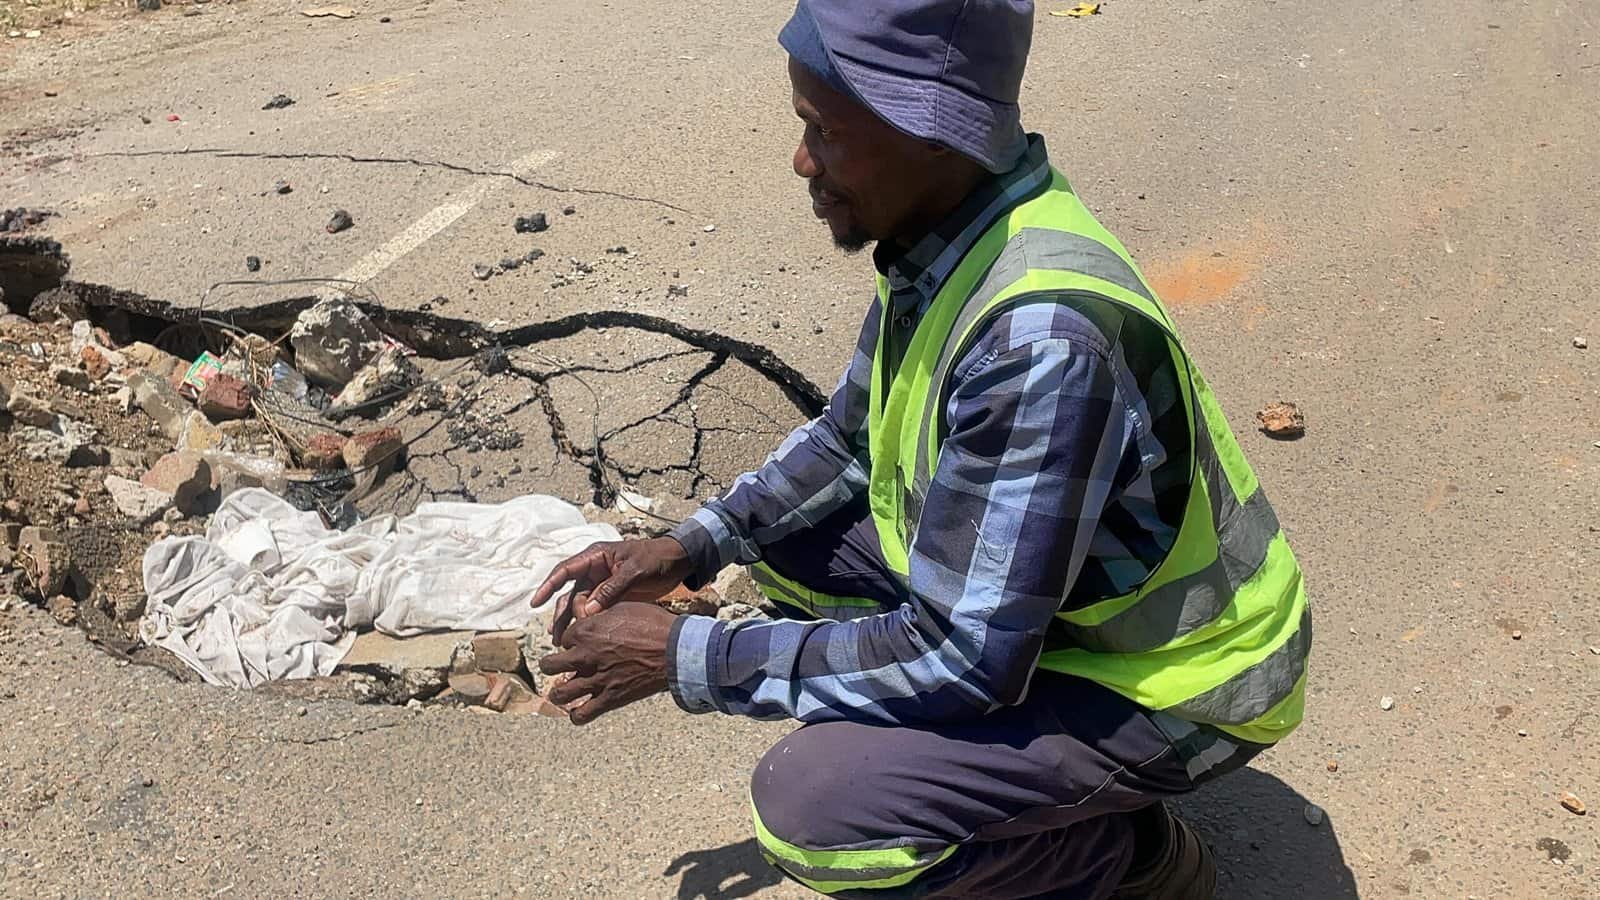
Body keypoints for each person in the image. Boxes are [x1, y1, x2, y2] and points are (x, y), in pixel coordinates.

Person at [530, 1, 1310, 896]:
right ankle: (1031, 781)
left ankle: (1127, 857)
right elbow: (848, 442)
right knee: (783, 538)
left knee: (816, 810)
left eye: (825, 132)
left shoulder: (1039, 342)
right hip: (1056, 621)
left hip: (1184, 686)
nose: (802, 162)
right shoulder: (946, 237)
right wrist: (690, 544)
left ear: (932, 133)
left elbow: (965, 658)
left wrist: (684, 656)